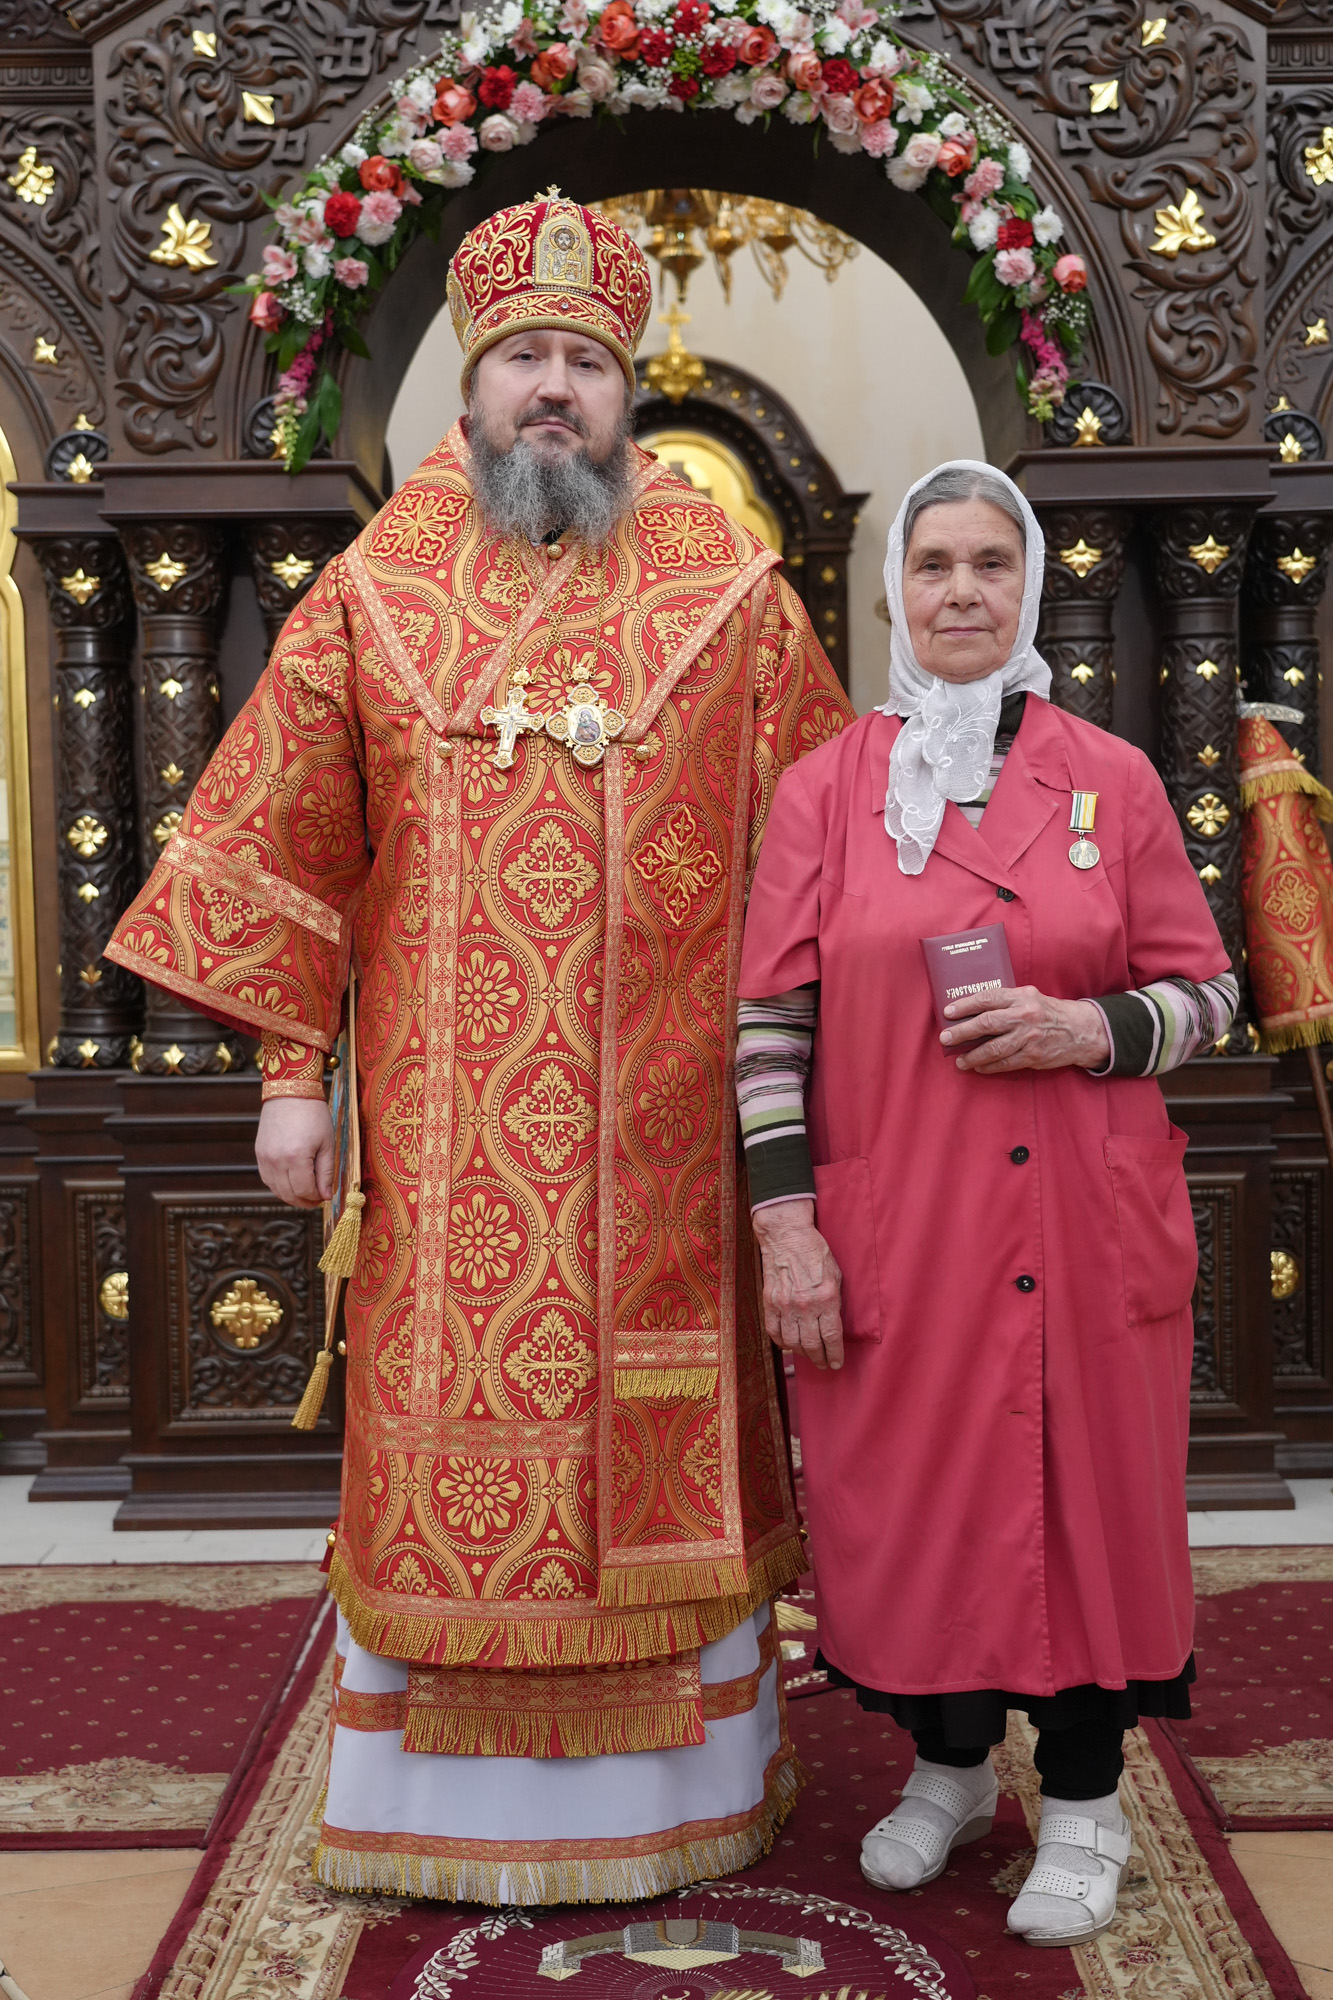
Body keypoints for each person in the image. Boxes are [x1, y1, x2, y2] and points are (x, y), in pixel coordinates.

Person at [106, 190, 854, 1903]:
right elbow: (283, 842)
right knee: (447, 1449)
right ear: (471, 383)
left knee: (655, 1449)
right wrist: (288, 1083)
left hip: (668, 1154)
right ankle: (437, 1807)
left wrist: (819, 1122)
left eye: (585, 361)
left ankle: (681, 1791)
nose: (554, 389)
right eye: (524, 356)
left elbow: (822, 864)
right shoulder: (371, 593)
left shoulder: (733, 596)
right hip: (444, 1166)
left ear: (626, 394)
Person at [736, 461, 1237, 1948]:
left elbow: (1209, 992)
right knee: (918, 1505)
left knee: (1086, 1506)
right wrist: (785, 1227)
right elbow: (767, 1026)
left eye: (989, 564)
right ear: (893, 591)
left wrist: (1092, 1028)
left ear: (1028, 586)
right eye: (934, 565)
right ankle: (949, 1770)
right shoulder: (825, 788)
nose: (961, 591)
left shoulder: (1113, 778)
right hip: (905, 1223)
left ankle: (1083, 1804)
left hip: (1083, 1220)